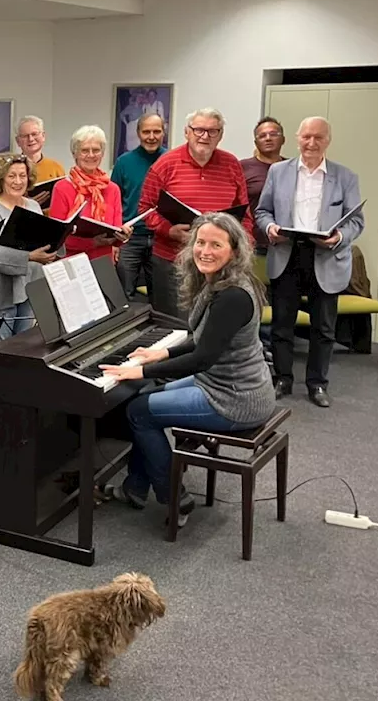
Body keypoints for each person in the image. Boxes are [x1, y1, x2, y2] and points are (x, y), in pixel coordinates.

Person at [101, 212, 274, 529]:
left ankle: (174, 498)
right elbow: (203, 339)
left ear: (234, 250)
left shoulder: (233, 295)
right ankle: (136, 489)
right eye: (201, 242)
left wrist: (140, 371)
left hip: (235, 399)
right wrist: (162, 352)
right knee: (144, 403)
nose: (205, 251)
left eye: (216, 245)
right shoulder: (221, 281)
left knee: (139, 410)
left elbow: (202, 358)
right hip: (224, 384)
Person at [256, 116, 364, 409]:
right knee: (281, 325)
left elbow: (356, 221)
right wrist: (269, 229)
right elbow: (262, 211)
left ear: (328, 140)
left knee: (323, 328)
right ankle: (283, 378)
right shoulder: (278, 172)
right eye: (306, 137)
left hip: (326, 256)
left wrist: (340, 237)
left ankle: (317, 383)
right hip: (286, 253)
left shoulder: (345, 177)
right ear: (297, 138)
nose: (312, 143)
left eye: (319, 137)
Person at [138, 107, 252, 319]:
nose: (204, 136)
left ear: (220, 135)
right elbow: (145, 209)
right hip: (174, 261)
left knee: (216, 325)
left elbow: (245, 214)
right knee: (176, 325)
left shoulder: (232, 165)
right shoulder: (165, 164)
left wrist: (241, 248)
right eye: (199, 130)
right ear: (187, 132)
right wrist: (169, 230)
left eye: (212, 131)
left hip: (222, 264)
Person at [0, 154, 60, 343]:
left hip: (29, 288)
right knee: (2, 351)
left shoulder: (34, 206)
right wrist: (29, 257)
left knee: (22, 348)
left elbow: (41, 241)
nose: (18, 181)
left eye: (22, 175)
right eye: (12, 176)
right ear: (0, 178)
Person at [50, 125, 128, 262]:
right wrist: (93, 243)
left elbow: (115, 235)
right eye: (85, 150)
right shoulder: (62, 188)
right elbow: (56, 238)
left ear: (102, 153)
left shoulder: (113, 189)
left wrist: (123, 236)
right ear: (75, 154)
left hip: (104, 263)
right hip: (71, 262)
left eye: (96, 150)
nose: (91, 155)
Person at [111, 113, 166, 302]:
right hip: (129, 238)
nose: (151, 136)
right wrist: (115, 240)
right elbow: (113, 201)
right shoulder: (123, 162)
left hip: (162, 238)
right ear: (138, 133)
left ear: (163, 133)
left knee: (161, 296)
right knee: (123, 295)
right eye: (146, 131)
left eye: (156, 131)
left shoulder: (170, 160)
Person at [241, 116, 287, 253]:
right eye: (262, 136)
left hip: (287, 244)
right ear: (256, 142)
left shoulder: (293, 168)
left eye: (273, 134)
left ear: (283, 139)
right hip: (253, 244)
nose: (268, 138)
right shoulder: (242, 167)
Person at [15, 115, 65, 186]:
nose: (31, 139)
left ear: (43, 136)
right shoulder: (10, 169)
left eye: (34, 134)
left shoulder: (56, 167)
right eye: (25, 136)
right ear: (17, 141)